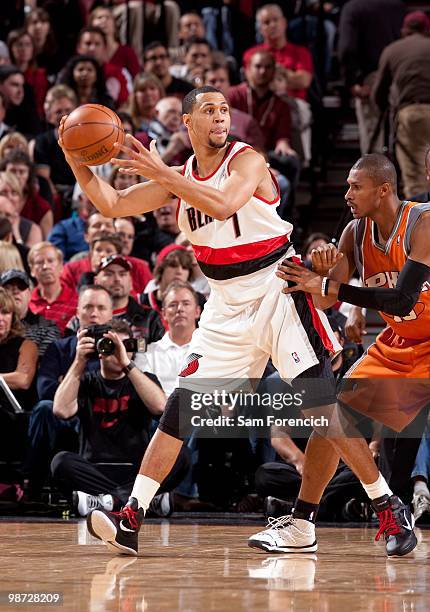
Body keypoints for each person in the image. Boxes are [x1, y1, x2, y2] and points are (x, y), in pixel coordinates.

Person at [59, 86, 413, 559]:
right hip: (225, 303)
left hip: (277, 287)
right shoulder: (179, 177)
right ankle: (131, 517)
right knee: (181, 408)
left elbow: (224, 204)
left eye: (224, 109)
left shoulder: (247, 160)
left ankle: (387, 506)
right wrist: (74, 156)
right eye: (209, 110)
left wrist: (160, 170)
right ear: (187, 123)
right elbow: (111, 203)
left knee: (318, 403)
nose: (221, 116)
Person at [264, 152, 429, 548]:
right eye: (348, 184)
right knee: (333, 417)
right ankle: (303, 522)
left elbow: (404, 300)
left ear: (383, 190)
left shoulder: (422, 223)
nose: (347, 192)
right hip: (400, 345)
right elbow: (323, 301)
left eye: (356, 186)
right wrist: (319, 274)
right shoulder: (356, 232)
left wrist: (331, 287)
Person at [51, 319, 185, 518]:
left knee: (182, 455)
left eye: (124, 346)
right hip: (95, 470)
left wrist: (127, 363)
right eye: (113, 346)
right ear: (100, 349)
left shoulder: (144, 379)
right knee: (60, 462)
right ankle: (140, 502)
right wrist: (79, 361)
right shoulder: (86, 380)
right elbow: (60, 410)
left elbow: (160, 407)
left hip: (139, 470)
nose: (117, 352)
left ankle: (108, 501)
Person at [372, 11, 430, 198]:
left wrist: (384, 113)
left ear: (404, 30)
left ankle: (423, 223)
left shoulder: (392, 50)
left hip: (411, 113)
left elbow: (378, 92)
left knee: (414, 177)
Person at [0, 268, 60, 356]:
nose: (15, 291)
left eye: (21, 286)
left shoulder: (47, 328)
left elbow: (46, 365)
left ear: (29, 294)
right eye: (8, 287)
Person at [28, 241, 78, 334]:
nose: (45, 266)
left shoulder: (77, 302)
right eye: (39, 262)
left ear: (61, 266)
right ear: (32, 270)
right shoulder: (27, 303)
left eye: (50, 261)